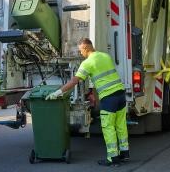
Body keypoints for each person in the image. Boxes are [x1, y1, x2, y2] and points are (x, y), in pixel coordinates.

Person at [46, 38, 129, 166]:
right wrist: (92, 93)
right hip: (120, 94)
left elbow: (74, 82)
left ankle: (113, 158)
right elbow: (102, 76)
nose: (80, 54)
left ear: (85, 48)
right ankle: (124, 153)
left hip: (109, 98)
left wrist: (57, 93)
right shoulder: (106, 56)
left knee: (108, 127)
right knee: (121, 125)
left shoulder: (87, 63)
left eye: (80, 51)